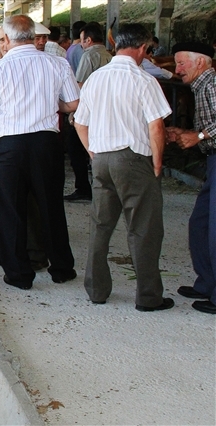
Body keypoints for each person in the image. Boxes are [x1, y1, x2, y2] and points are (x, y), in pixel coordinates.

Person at [0, 14, 80, 290]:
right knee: (51, 206)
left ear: (6, 39)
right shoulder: (58, 63)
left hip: (9, 146)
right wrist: (49, 103)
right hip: (46, 143)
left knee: (10, 211)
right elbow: (73, 103)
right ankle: (61, 268)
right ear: (33, 36)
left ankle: (19, 275)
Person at [73, 23, 173, 311]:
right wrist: (156, 162)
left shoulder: (95, 78)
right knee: (143, 228)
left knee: (100, 226)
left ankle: (96, 290)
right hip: (133, 158)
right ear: (142, 48)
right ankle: (149, 297)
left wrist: (93, 151)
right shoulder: (143, 80)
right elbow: (156, 127)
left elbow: (80, 122)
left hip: (102, 158)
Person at [166, 42, 216, 314]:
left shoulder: (211, 84)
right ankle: (207, 282)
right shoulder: (201, 86)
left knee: (212, 226)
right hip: (212, 160)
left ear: (200, 62)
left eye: (182, 63)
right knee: (201, 223)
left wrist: (197, 136)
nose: (177, 69)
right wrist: (184, 133)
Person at [64, 21, 111, 203]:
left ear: (89, 40)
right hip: (105, 110)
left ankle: (83, 187)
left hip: (89, 110)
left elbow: (81, 85)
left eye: (82, 41)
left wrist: (74, 112)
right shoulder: (109, 55)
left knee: (76, 148)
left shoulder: (89, 55)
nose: (81, 44)